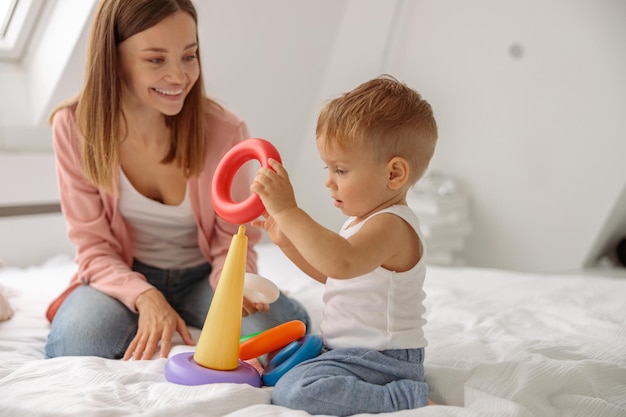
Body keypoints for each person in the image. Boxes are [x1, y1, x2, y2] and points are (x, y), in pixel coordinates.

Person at [44, 0, 309, 361]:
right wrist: (145, 296)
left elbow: (233, 240)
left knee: (276, 330)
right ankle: (153, 307)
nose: (179, 76)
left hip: (207, 273)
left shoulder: (224, 130)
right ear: (114, 58)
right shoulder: (75, 127)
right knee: (79, 343)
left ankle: (194, 307)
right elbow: (94, 247)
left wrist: (231, 288)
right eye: (156, 59)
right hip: (126, 272)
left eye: (189, 56)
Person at [251, 75, 437, 415]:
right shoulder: (361, 221)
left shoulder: (392, 225)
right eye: (328, 168)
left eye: (341, 170)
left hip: (384, 359)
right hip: (347, 350)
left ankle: (404, 398)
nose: (328, 181)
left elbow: (342, 262)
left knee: (294, 392)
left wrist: (288, 211)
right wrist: (287, 243)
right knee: (275, 360)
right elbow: (334, 274)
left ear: (394, 174)